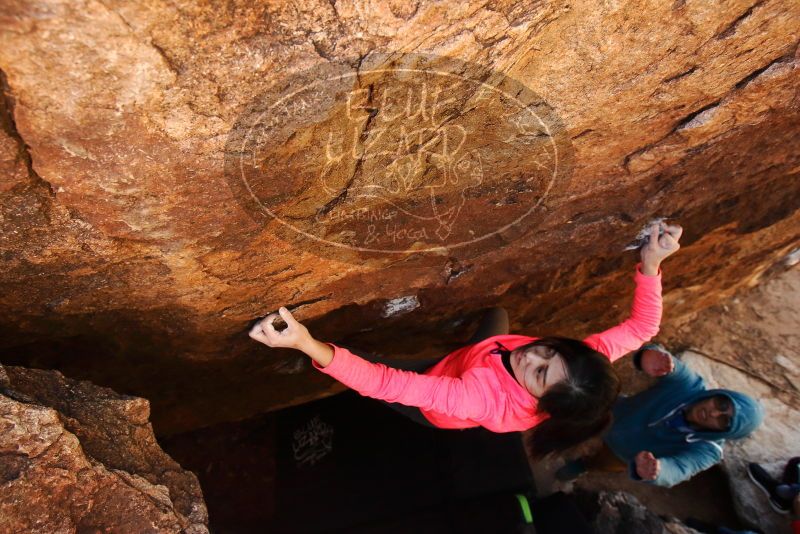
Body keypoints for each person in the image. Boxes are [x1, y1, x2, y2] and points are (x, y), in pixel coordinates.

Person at [249, 222, 682, 458]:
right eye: (551, 350)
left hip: (440, 396)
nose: (533, 355)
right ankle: (460, 342)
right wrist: (651, 263)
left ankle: (312, 353)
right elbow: (643, 329)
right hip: (476, 357)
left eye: (540, 373)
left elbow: (389, 384)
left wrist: (306, 342)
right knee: (497, 316)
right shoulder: (583, 365)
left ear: (542, 403)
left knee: (372, 368)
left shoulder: (478, 401)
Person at [556, 342, 764, 487]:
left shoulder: (709, 450)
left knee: (602, 462)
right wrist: (649, 356)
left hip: (623, 454)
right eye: (721, 403)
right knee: (578, 424)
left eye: (723, 420)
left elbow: (681, 469)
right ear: (720, 394)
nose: (713, 412)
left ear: (724, 433)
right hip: (615, 412)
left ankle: (582, 465)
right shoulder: (689, 385)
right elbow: (669, 364)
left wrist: (658, 471)